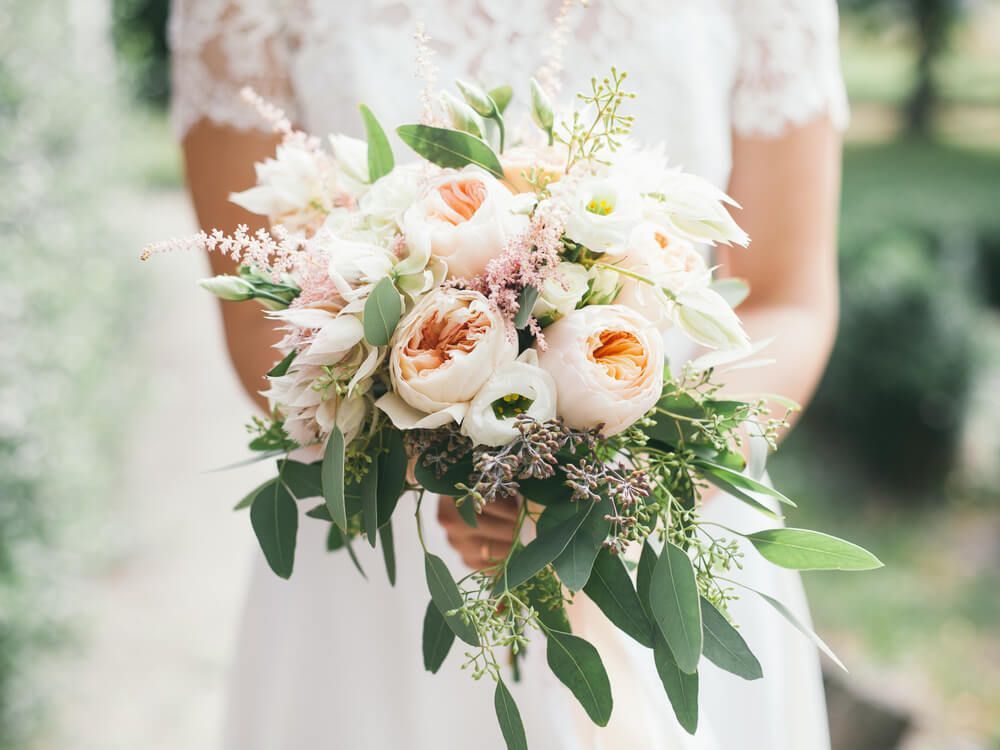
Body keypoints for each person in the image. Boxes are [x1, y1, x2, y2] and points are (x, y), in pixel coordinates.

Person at [170, 1, 846, 747]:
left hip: (664, 530)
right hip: (392, 550)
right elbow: (260, 326)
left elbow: (788, 298)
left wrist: (617, 494)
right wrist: (462, 476)